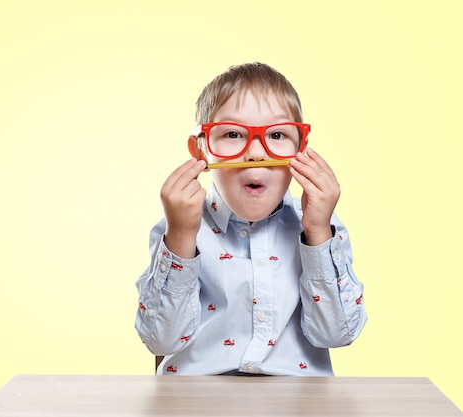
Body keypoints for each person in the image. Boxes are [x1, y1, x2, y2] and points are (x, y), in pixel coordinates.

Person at [134, 62, 367, 376]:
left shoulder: (321, 225)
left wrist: (319, 232)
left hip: (298, 403)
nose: (257, 153)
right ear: (201, 152)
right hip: (196, 400)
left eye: (277, 134)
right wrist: (180, 237)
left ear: (301, 150)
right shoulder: (178, 226)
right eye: (233, 134)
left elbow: (338, 334)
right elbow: (160, 340)